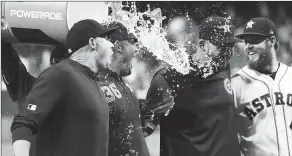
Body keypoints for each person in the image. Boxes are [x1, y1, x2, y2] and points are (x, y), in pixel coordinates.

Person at [10, 19, 117, 156]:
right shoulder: (61, 74)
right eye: (107, 39)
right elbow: (23, 123)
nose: (112, 45)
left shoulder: (93, 81)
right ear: (92, 43)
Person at [141, 16, 242, 156]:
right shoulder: (168, 79)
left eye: (230, 46)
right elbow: (140, 130)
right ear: (201, 44)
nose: (227, 53)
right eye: (221, 46)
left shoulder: (223, 66)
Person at [232, 17, 292, 156]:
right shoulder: (237, 83)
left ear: (271, 41)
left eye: (254, 40)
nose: (248, 46)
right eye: (246, 41)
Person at [100, 22, 151, 156]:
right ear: (119, 47)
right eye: (133, 42)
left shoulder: (121, 83)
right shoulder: (96, 83)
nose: (136, 49)